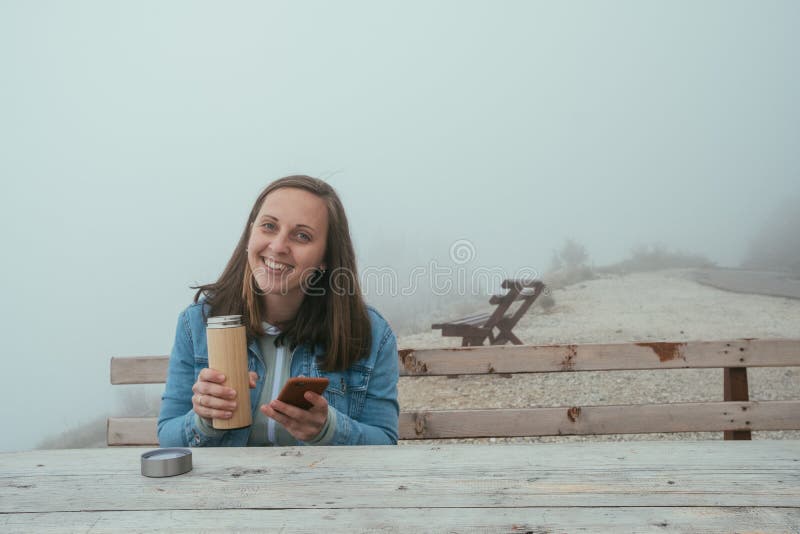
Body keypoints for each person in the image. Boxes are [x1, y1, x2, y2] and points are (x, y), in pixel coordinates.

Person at [157, 175, 399, 447]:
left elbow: (384, 442)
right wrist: (203, 420)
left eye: (302, 235)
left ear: (325, 259)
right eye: (269, 226)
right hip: (225, 488)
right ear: (251, 233)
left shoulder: (371, 333)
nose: (278, 246)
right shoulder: (198, 322)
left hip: (320, 488)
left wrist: (329, 429)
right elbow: (168, 436)